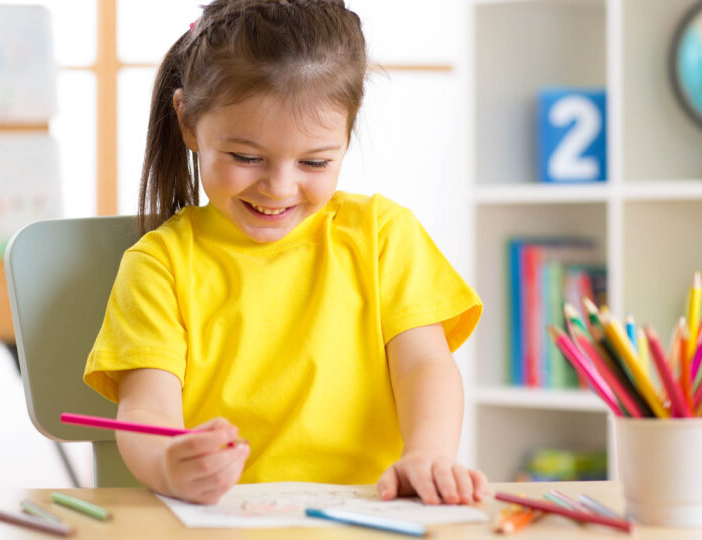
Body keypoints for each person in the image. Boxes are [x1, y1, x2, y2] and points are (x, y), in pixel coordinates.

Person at [83, 0, 486, 507]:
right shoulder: (160, 264)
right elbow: (146, 411)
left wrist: (429, 454)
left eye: (314, 162)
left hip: (372, 514)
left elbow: (424, 366)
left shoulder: (383, 234)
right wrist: (170, 464)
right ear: (187, 120)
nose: (278, 187)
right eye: (246, 157)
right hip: (224, 521)